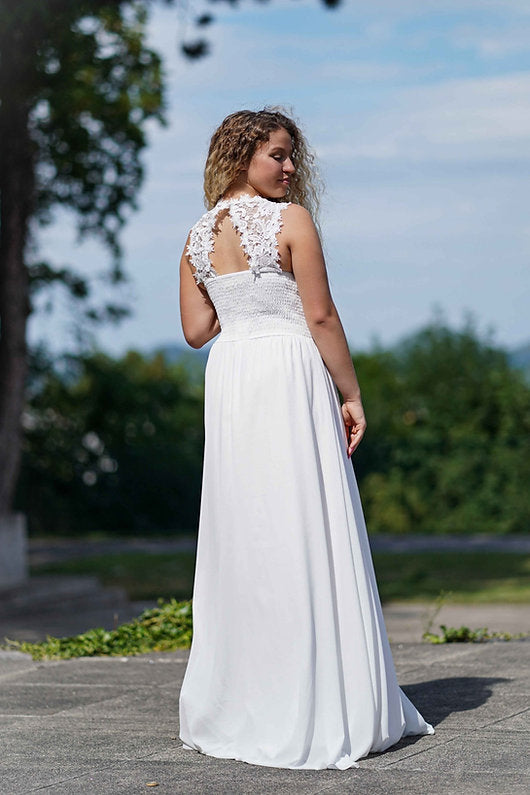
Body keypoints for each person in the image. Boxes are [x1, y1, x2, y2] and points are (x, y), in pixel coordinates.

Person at [178, 107, 434, 770]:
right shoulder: (291, 220)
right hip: (288, 373)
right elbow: (319, 315)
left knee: (250, 530)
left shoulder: (198, 234)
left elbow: (197, 331)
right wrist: (352, 393)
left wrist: (237, 296)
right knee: (302, 519)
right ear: (242, 157)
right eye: (279, 155)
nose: (291, 168)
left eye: (291, 155)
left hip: (233, 377)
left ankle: (247, 701)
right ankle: (322, 699)